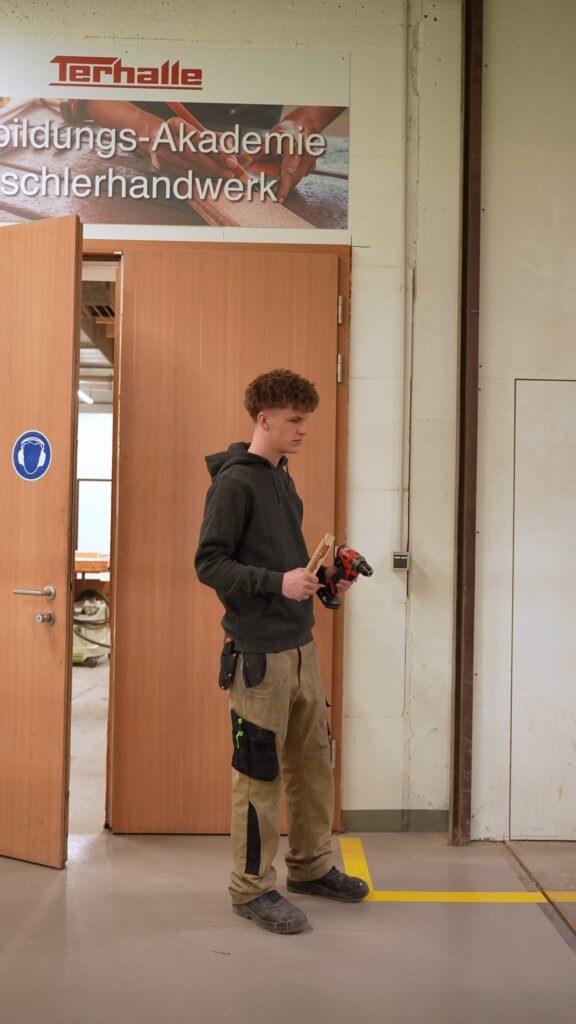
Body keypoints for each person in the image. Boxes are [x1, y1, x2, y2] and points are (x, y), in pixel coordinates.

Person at [194, 369, 368, 935]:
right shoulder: (234, 485)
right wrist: (276, 583)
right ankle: (250, 890)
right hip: (258, 658)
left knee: (313, 764)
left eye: (306, 421)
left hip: (300, 648)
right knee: (259, 774)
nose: (303, 430)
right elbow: (209, 564)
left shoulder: (283, 481)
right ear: (263, 419)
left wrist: (324, 583)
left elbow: (289, 570)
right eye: (294, 420)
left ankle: (311, 867)